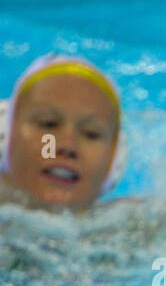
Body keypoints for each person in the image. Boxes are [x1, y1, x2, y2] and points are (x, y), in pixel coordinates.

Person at [0, 53, 127, 210]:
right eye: (48, 124)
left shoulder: (144, 226)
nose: (68, 147)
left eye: (91, 134)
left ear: (114, 158)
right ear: (6, 134)